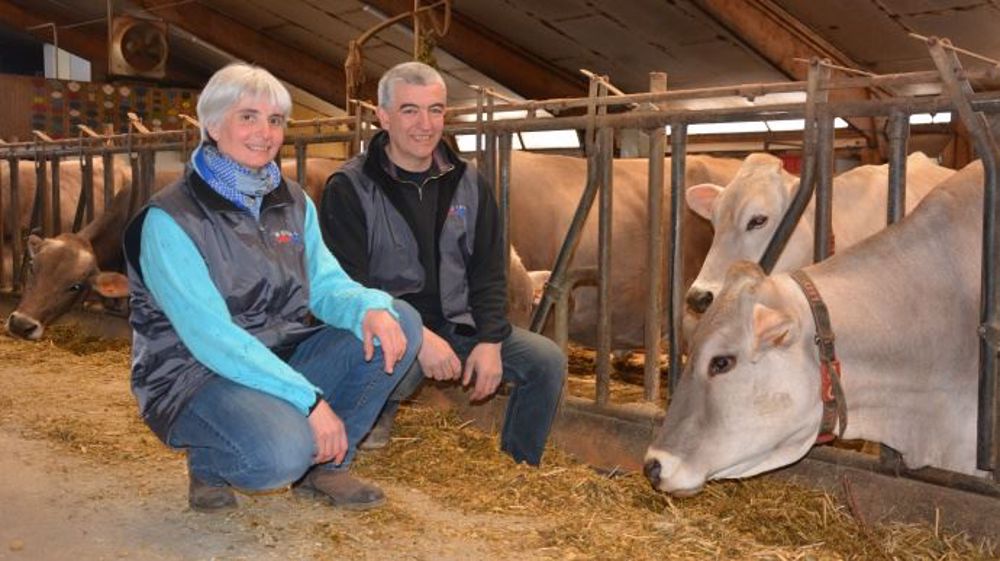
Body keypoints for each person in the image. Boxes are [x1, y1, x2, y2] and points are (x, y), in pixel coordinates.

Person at [122, 63, 422, 513]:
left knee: (398, 321)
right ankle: (209, 462)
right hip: (194, 375)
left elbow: (325, 284)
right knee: (280, 455)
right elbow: (211, 338)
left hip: (275, 353)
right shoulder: (170, 220)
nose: (265, 133)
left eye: (275, 120)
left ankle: (327, 467)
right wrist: (310, 401)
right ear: (213, 125)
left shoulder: (292, 200)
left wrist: (369, 307)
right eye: (248, 117)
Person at [319, 61, 566, 466]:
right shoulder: (350, 188)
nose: (425, 124)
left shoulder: (469, 182)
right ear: (383, 117)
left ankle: (519, 467)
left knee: (546, 361)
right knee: (395, 366)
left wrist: (490, 340)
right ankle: (373, 413)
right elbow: (349, 286)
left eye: (435, 110)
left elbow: (489, 271)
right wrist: (418, 337)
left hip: (457, 324)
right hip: (387, 330)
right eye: (410, 110)